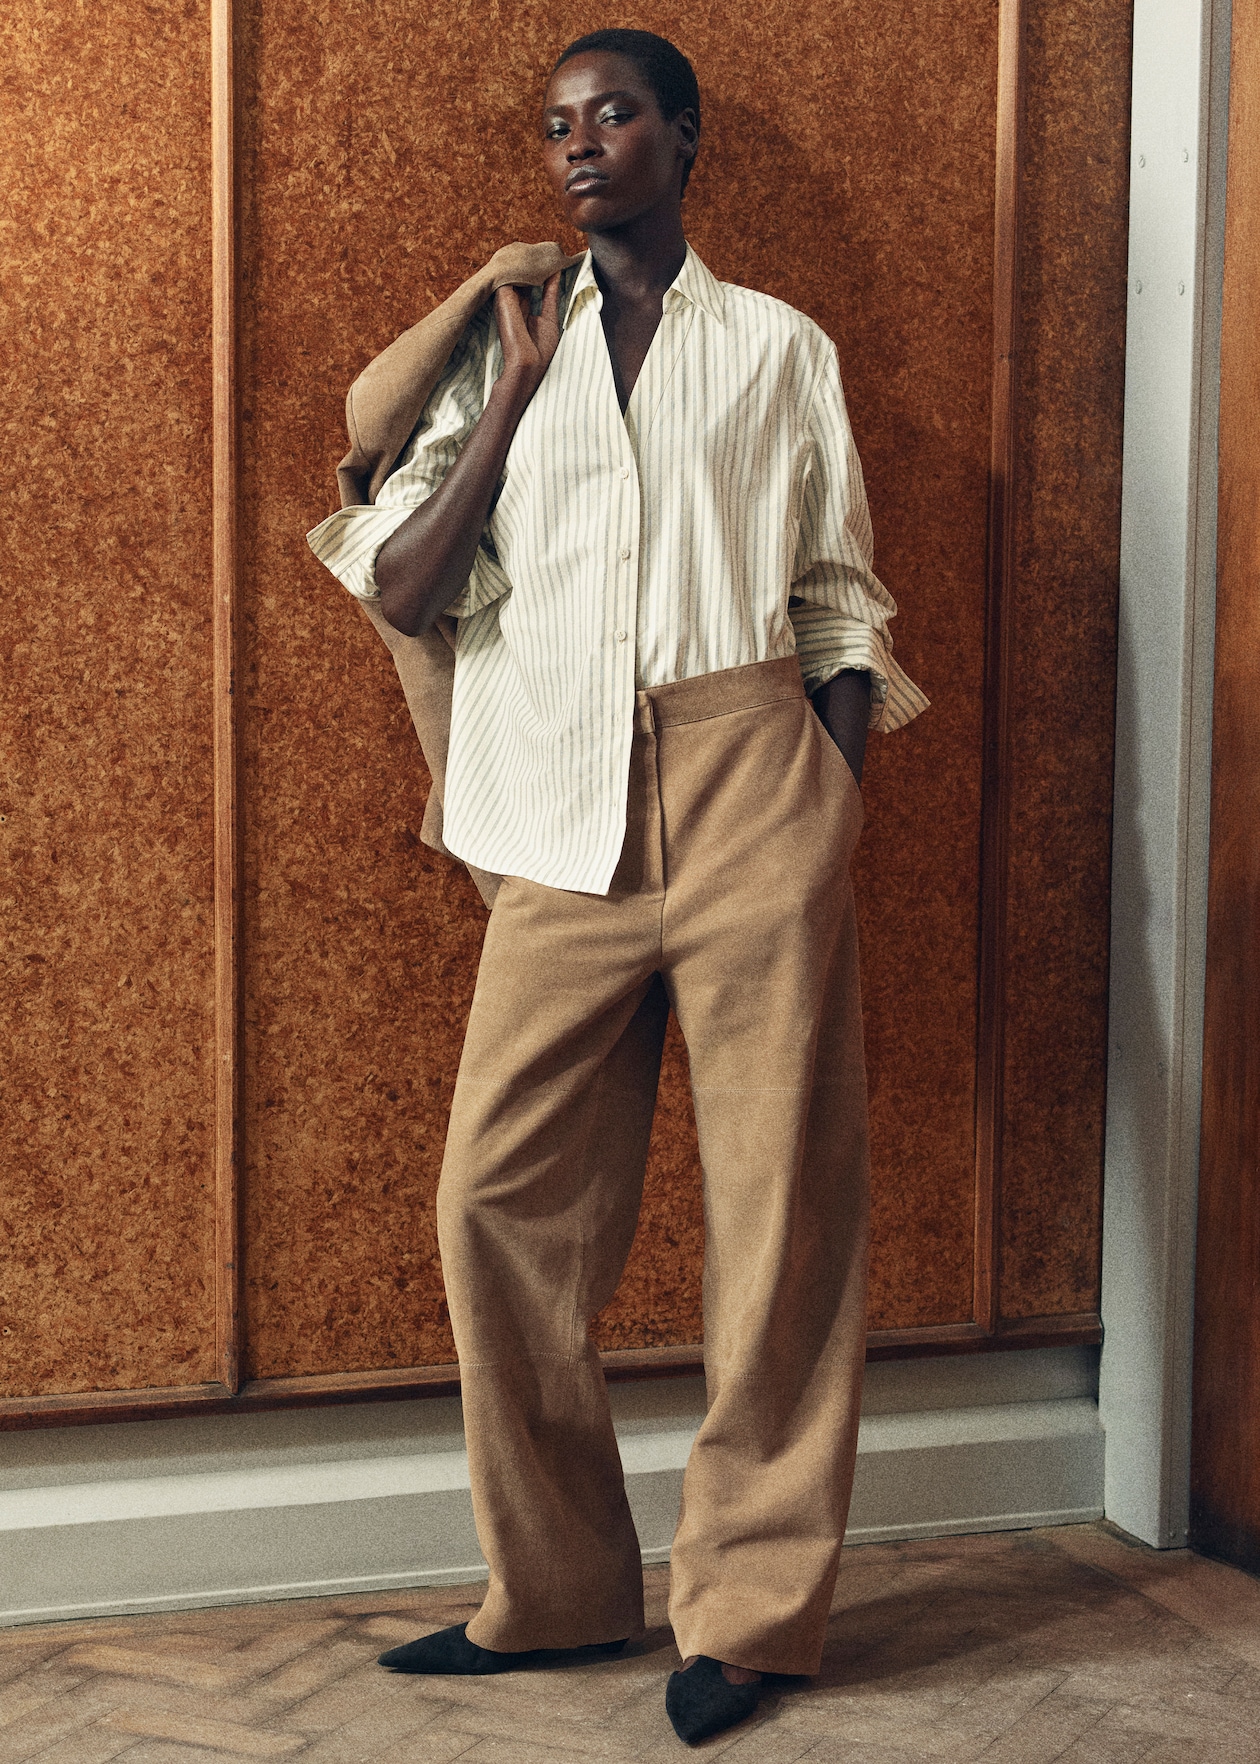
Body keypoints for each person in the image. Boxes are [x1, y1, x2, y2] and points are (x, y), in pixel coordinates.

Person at [307, 28, 927, 1746]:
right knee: (493, 1201)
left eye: (616, 117)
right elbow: (408, 587)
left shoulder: (781, 350)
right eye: (558, 126)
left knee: (782, 1215)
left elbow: (839, 599)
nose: (580, 148)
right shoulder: (499, 345)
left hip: (751, 781)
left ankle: (754, 1615)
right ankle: (559, 1593)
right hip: (557, 814)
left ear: (685, 136)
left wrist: (826, 802)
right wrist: (508, 396)